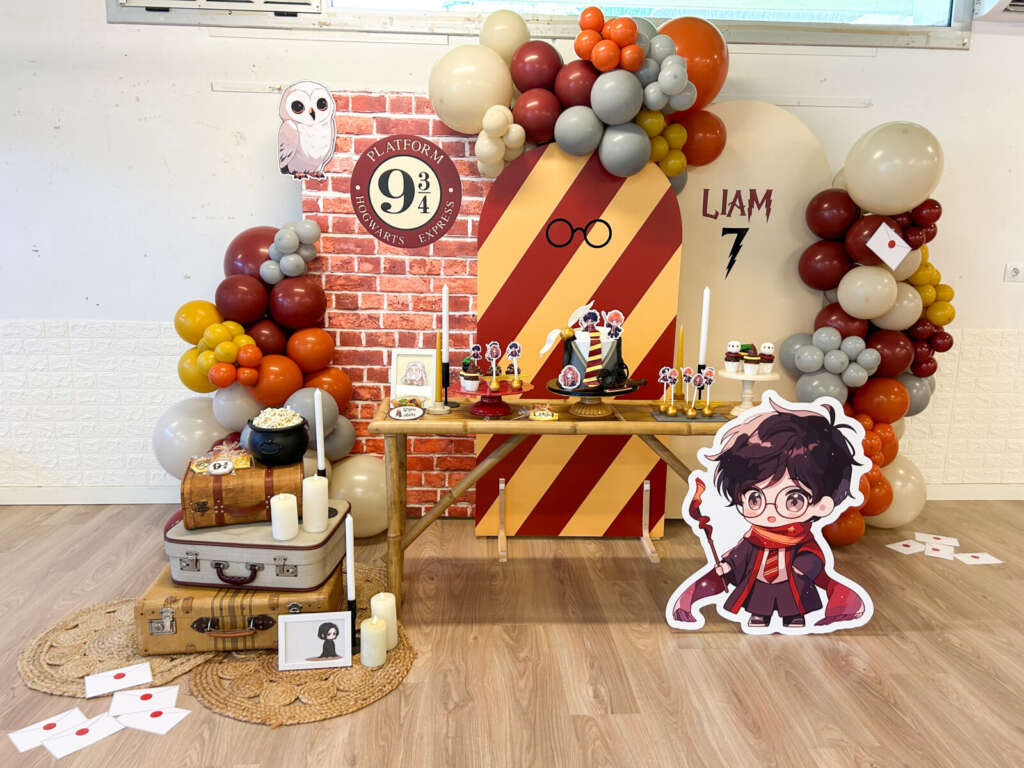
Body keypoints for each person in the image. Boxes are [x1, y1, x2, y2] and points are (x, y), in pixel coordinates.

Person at [668, 397, 871, 632]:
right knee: (760, 603)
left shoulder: (801, 539)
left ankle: (793, 619)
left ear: (821, 506)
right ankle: (759, 618)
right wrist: (728, 567)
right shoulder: (752, 539)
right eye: (755, 498)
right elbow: (740, 557)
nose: (770, 511)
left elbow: (814, 557)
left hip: (793, 587)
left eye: (793, 500)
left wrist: (803, 567)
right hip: (760, 587)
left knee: (792, 605)